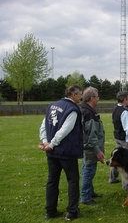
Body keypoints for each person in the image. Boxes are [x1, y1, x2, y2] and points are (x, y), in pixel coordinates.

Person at [39, 85, 83, 221]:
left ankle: (50, 211)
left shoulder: (52, 106)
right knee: (73, 180)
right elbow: (65, 129)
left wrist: (46, 142)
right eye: (80, 94)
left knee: (52, 181)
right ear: (73, 94)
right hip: (66, 152)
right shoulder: (72, 109)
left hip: (52, 152)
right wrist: (51, 144)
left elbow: (43, 126)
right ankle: (72, 211)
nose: (81, 96)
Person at [80, 87, 105, 205]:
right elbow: (91, 135)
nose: (98, 99)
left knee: (88, 169)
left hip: (87, 147)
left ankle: (90, 191)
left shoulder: (84, 110)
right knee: (88, 171)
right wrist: (97, 151)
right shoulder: (89, 113)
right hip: (90, 148)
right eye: (97, 97)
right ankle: (85, 197)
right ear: (92, 98)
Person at [109, 91, 128, 188]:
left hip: (118, 136)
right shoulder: (125, 112)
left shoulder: (116, 109)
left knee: (116, 157)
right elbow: (127, 128)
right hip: (124, 139)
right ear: (125, 99)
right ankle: (126, 185)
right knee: (126, 162)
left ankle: (112, 178)